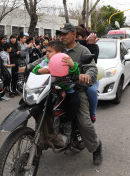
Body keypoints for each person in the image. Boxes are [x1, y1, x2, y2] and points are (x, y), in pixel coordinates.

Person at [28, 23, 102, 165]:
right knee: (41, 112)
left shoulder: (83, 50)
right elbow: (43, 60)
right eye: (60, 34)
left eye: (64, 34)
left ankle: (96, 147)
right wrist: (28, 68)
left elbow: (92, 68)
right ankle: (42, 142)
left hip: (74, 89)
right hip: (51, 88)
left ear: (74, 34)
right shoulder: (58, 48)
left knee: (84, 122)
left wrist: (87, 76)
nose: (61, 36)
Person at [32, 40, 81, 134]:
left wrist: (72, 66)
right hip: (49, 89)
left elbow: (76, 72)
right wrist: (39, 71)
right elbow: (35, 70)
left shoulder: (66, 61)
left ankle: (68, 122)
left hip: (65, 88)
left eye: (50, 51)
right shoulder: (45, 62)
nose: (47, 53)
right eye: (46, 51)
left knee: (75, 101)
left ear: (58, 53)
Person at [75, 26, 99, 123]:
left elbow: (93, 61)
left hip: (88, 78)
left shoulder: (92, 47)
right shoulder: (66, 47)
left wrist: (91, 45)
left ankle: (92, 113)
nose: (75, 40)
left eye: (78, 37)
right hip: (71, 79)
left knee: (91, 91)